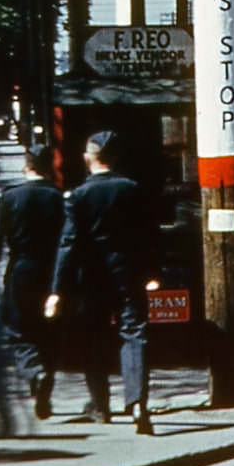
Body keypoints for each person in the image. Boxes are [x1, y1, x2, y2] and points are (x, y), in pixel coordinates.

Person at [45, 132, 159, 434]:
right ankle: (138, 403)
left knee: (93, 337)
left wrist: (58, 289)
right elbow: (148, 235)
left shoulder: (78, 196)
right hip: (129, 272)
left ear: (88, 158)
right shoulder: (132, 189)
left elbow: (68, 244)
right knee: (134, 333)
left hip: (92, 277)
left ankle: (100, 405)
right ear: (116, 157)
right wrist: (151, 272)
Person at [0, 145, 64, 420]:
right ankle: (44, 383)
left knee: (19, 331)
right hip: (51, 271)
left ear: (26, 166)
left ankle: (35, 372)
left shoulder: (9, 197)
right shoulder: (59, 198)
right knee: (48, 332)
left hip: (20, 270)